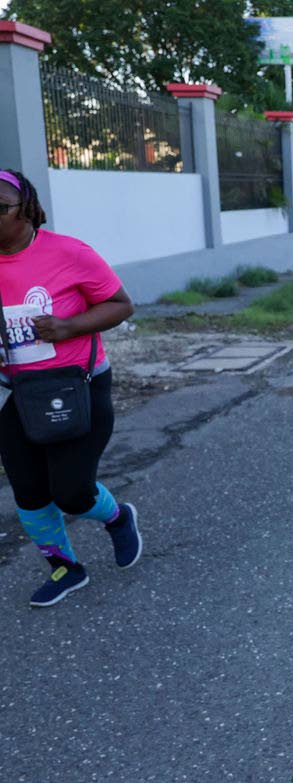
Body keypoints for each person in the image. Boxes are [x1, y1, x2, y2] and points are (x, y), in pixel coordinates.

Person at [0, 169, 142, 606]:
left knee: (72, 492)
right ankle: (65, 568)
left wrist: (68, 326)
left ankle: (117, 517)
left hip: (77, 385)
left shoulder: (69, 253)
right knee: (28, 490)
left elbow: (121, 305)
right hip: (15, 393)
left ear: (25, 210)